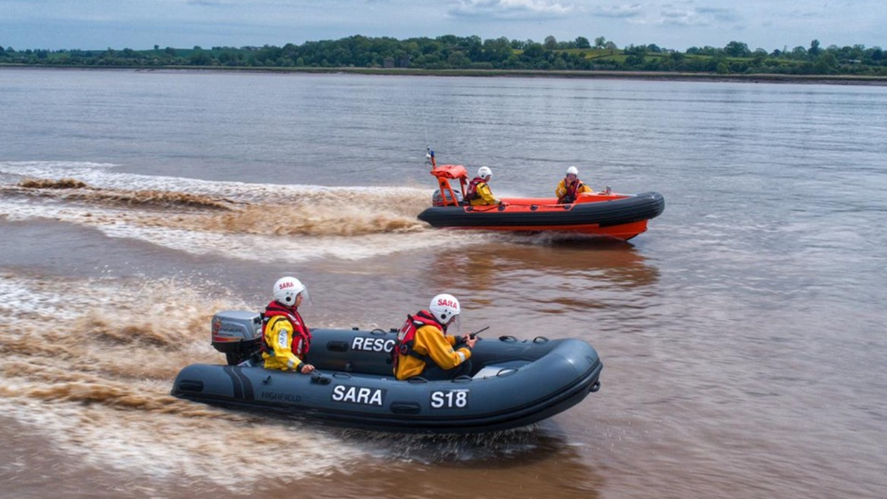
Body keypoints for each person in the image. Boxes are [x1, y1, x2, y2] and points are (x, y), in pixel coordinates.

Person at [393, 293, 477, 381]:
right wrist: (468, 348)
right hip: (412, 377)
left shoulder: (422, 324)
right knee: (464, 364)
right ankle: (452, 391)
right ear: (444, 315)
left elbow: (434, 341)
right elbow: (450, 361)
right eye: (452, 317)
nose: (453, 320)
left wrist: (457, 340)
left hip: (405, 370)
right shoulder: (430, 330)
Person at [261, 276, 315, 374]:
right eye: (298, 295)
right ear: (288, 297)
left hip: (288, 366)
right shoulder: (281, 324)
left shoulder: (289, 313)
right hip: (279, 369)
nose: (301, 297)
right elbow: (282, 353)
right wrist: (300, 366)